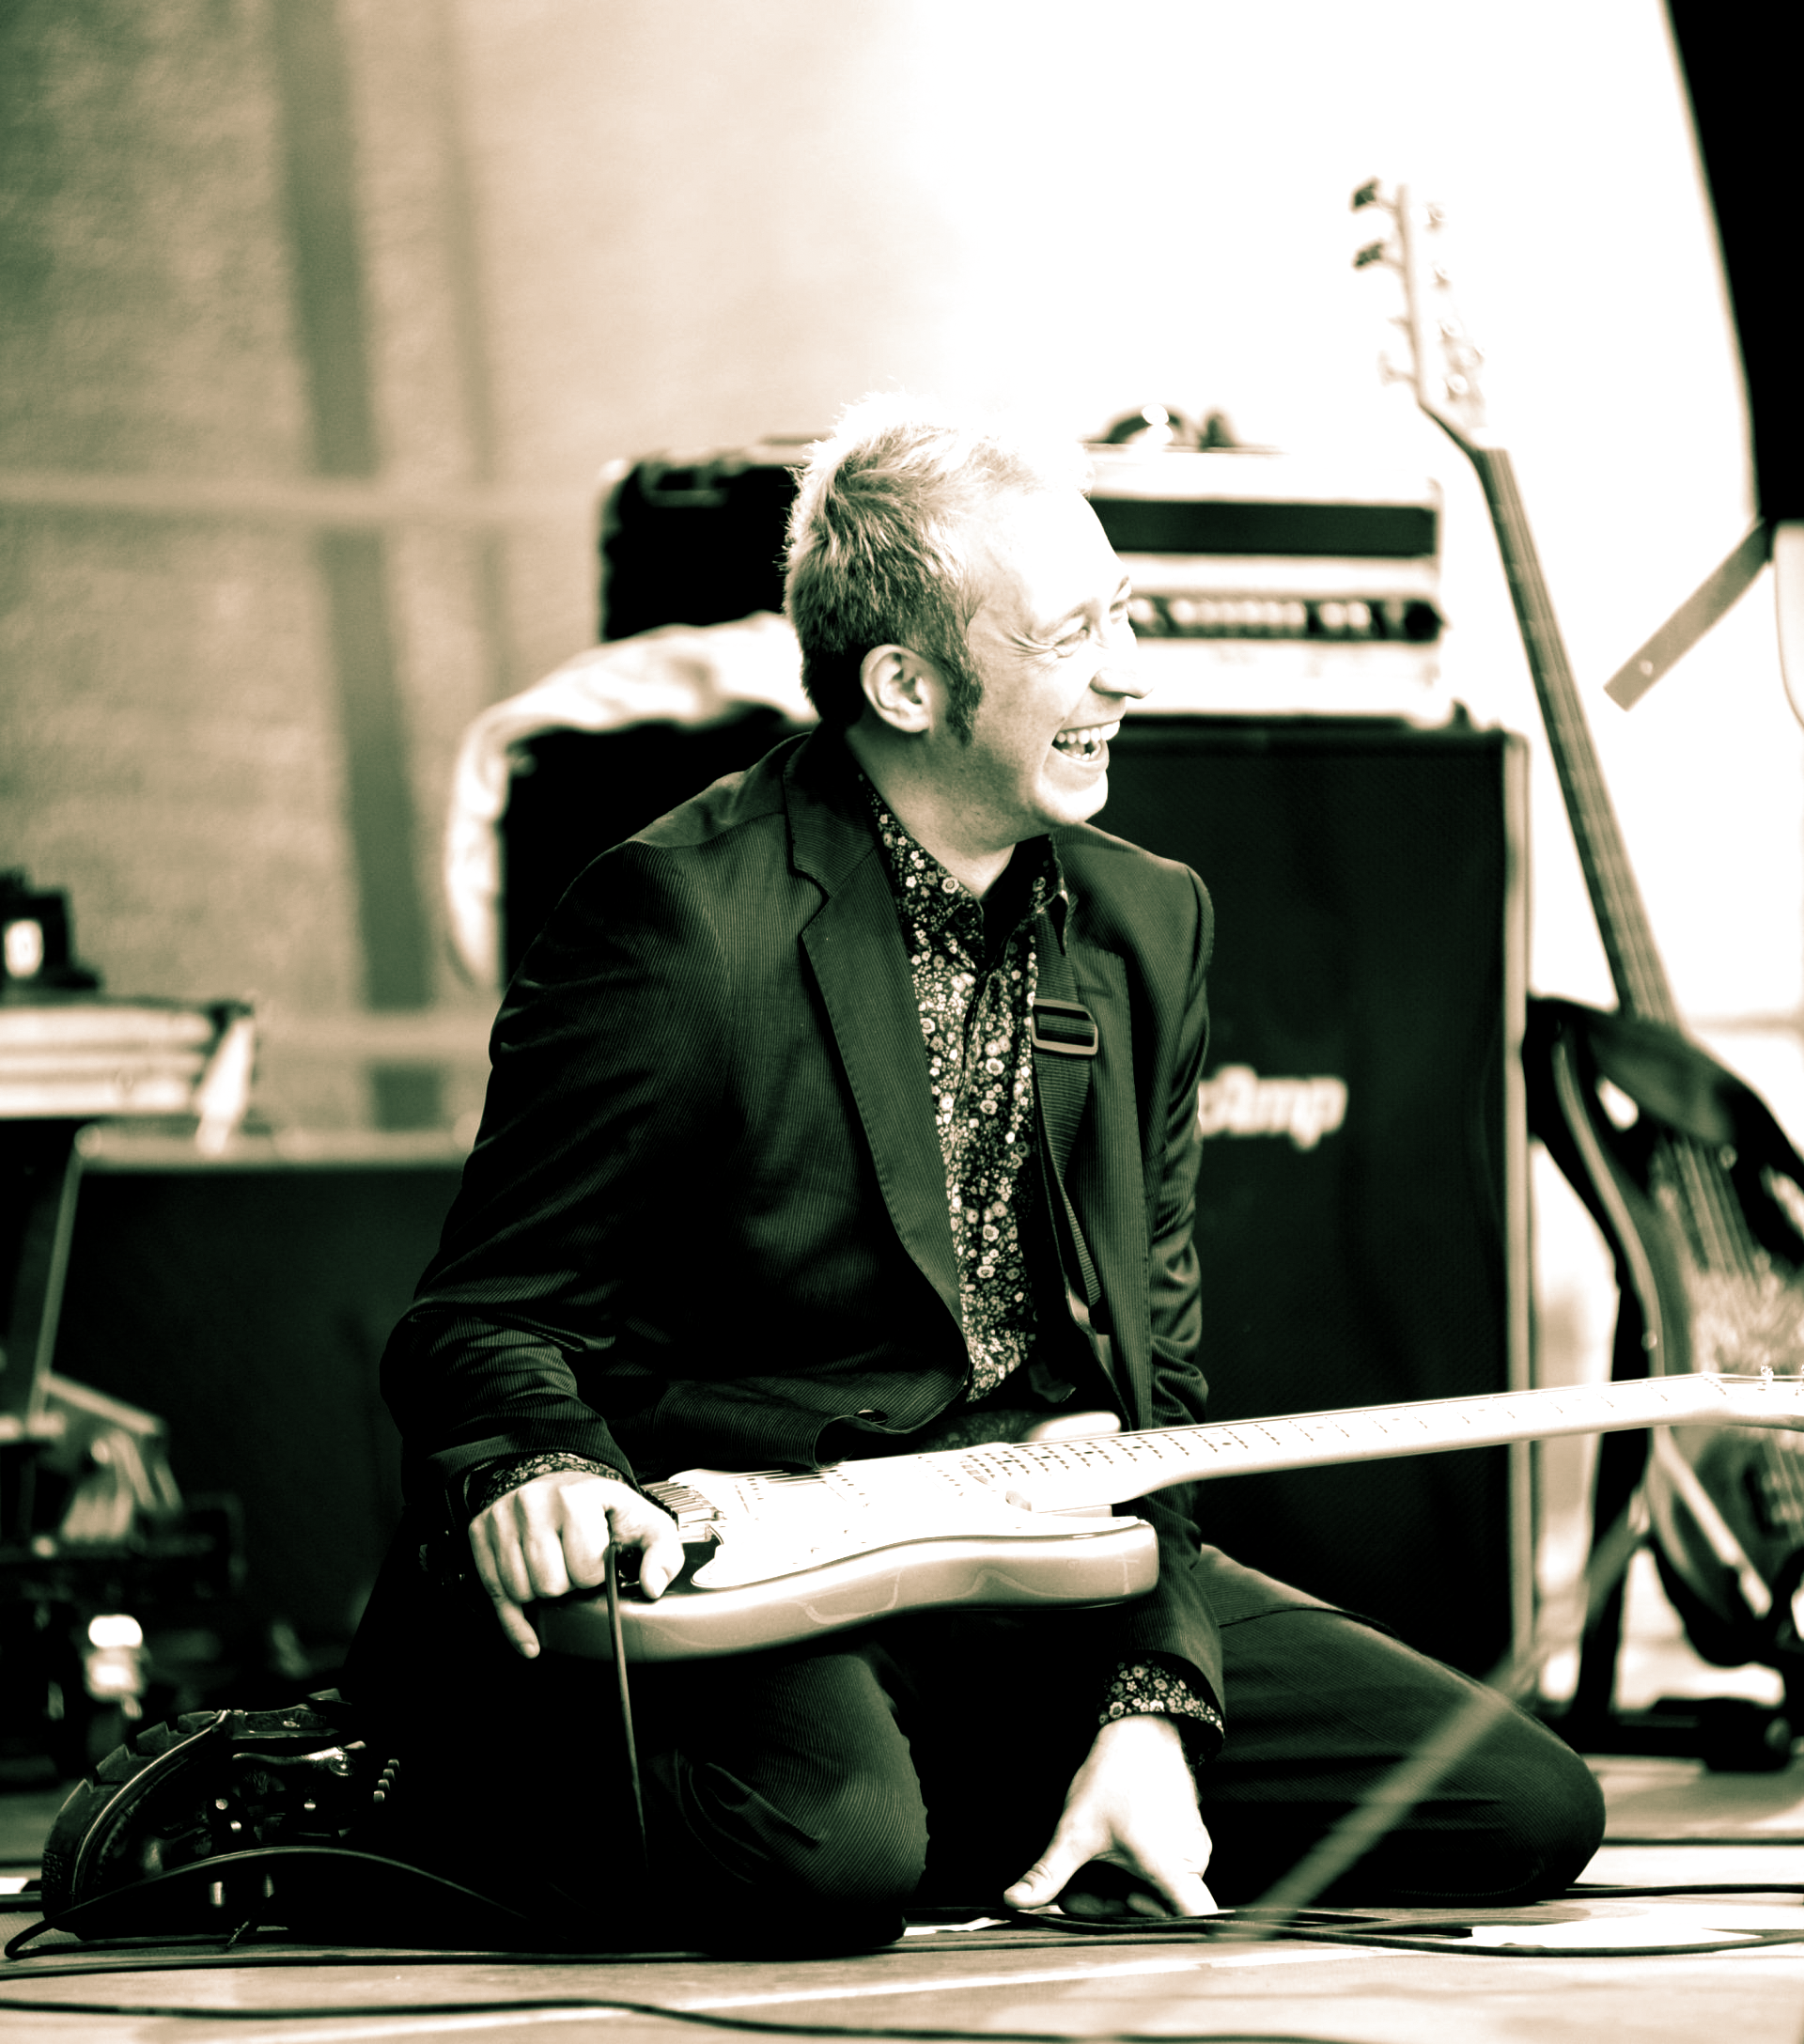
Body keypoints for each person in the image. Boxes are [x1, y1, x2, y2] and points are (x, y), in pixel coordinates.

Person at [347, 396, 1603, 1950]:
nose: (1128, 672)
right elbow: (482, 1320)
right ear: (906, 683)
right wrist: (537, 1467)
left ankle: (991, 1801)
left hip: (1028, 1556)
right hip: (758, 1557)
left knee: (1519, 1806)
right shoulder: (677, 919)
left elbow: (1154, 1386)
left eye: (1122, 613)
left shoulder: (1150, 923)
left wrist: (1147, 1706)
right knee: (826, 1863)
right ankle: (381, 1783)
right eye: (1073, 634)